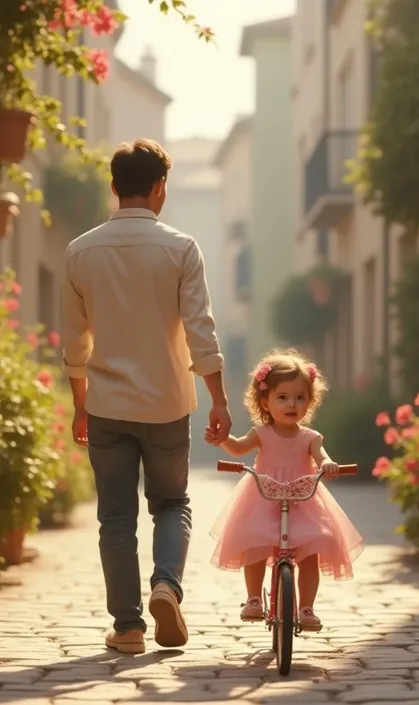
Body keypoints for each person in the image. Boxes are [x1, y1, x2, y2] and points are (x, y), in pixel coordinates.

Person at [61, 139, 232, 655]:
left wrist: (79, 402)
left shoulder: (80, 251)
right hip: (166, 403)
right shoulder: (181, 247)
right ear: (160, 187)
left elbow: (74, 341)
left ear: (113, 187)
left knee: (115, 516)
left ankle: (129, 627)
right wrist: (219, 399)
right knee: (172, 503)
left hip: (107, 404)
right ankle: (166, 586)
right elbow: (201, 329)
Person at [206, 349, 363, 631]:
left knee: (310, 550)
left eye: (300, 397)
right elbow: (239, 447)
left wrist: (328, 465)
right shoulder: (261, 434)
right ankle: (254, 598)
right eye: (283, 397)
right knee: (253, 541)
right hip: (264, 497)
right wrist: (223, 439)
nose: (292, 404)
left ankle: (306, 608)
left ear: (309, 401)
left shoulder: (309, 437)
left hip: (302, 501)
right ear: (265, 402)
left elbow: (321, 455)